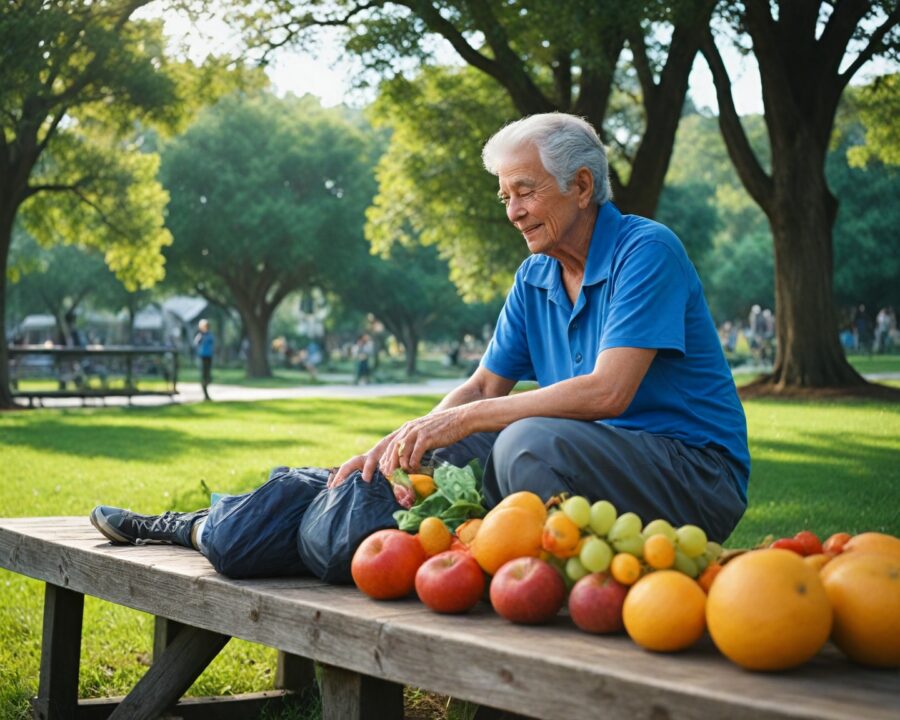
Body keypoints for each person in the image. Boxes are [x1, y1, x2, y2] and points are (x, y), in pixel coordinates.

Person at [90, 113, 749, 576]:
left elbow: (609, 392)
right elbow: (485, 386)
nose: (513, 211)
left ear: (582, 186)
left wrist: (460, 422)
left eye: (526, 191)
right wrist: (414, 436)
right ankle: (207, 526)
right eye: (505, 196)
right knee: (371, 492)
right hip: (572, 465)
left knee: (521, 440)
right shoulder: (537, 275)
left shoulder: (646, 250)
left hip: (690, 473)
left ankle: (527, 584)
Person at [193, 318, 214, 401]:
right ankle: (206, 394)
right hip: (202, 357)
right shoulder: (200, 336)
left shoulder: (210, 335)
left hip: (209, 356)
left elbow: (213, 345)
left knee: (208, 375)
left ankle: (206, 387)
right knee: (204, 375)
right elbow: (195, 344)